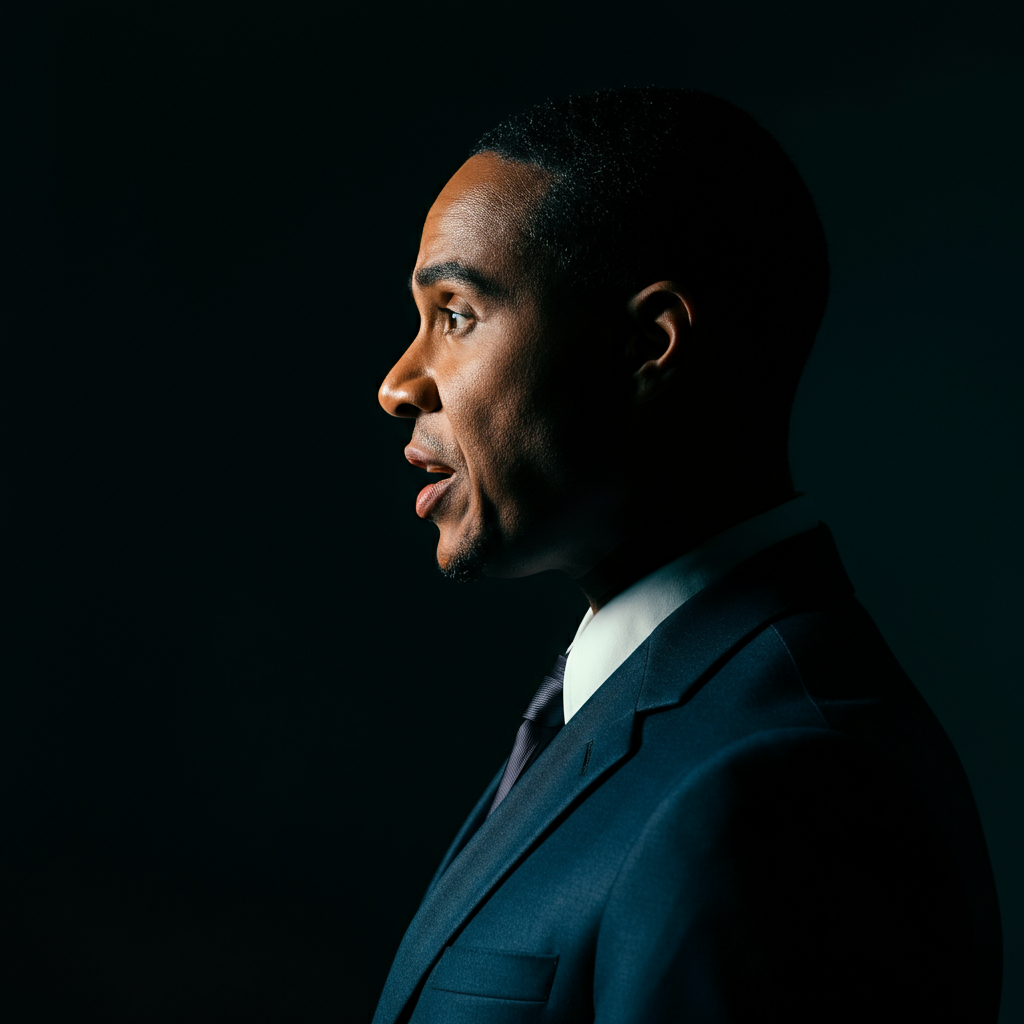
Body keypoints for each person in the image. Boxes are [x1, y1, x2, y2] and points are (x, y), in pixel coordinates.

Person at [373, 87, 1001, 1023]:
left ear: (649, 345)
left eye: (455, 313)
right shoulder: (630, 710)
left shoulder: (782, 791)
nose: (398, 382)